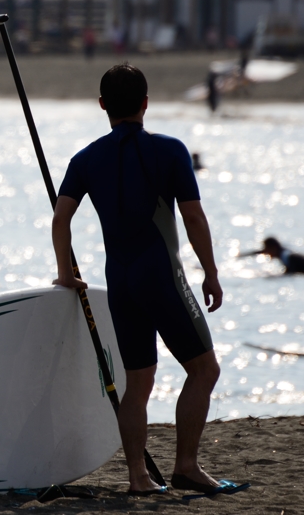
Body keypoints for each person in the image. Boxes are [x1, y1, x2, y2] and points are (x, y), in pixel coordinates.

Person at [51, 65, 226, 496]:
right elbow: (192, 216)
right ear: (146, 103)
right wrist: (211, 271)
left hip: (120, 281)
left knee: (138, 382)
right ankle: (185, 466)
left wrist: (66, 272)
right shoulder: (170, 151)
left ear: (102, 106)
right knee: (204, 369)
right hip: (161, 276)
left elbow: (60, 218)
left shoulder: (86, 158)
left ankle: (138, 478)